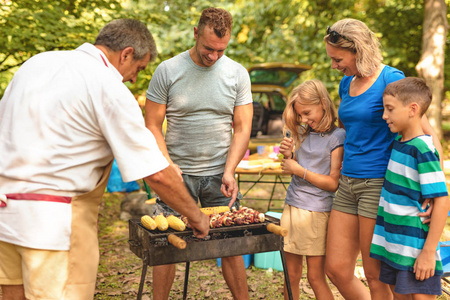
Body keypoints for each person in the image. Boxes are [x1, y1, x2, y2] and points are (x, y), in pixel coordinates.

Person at [0, 19, 210, 300]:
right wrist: (196, 217)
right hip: (53, 223)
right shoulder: (107, 86)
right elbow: (156, 174)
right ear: (126, 53)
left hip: (5, 215)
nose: (134, 78)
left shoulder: (35, 65)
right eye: (138, 68)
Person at [323, 18, 444, 300]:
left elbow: (426, 132)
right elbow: (348, 130)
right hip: (347, 182)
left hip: (378, 183)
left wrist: (431, 192)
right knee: (337, 268)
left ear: (358, 50)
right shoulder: (345, 83)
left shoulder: (391, 78)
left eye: (338, 58)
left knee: (375, 275)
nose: (334, 65)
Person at [144, 7, 253, 300]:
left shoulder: (237, 74)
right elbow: (152, 124)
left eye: (221, 50)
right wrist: (167, 165)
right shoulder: (167, 70)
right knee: (166, 247)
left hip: (220, 175)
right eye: (208, 48)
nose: (214, 56)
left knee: (231, 245)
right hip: (177, 176)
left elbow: (243, 128)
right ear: (195, 33)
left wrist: (230, 170)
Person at [370, 77, 449, 298]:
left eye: (390, 109)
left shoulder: (422, 149)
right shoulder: (400, 142)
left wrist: (428, 252)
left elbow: (442, 199)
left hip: (416, 250)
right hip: (395, 246)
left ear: (412, 109)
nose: (384, 115)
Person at [279, 79, 345, 300]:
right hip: (292, 206)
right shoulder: (303, 131)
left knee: (315, 277)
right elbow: (298, 163)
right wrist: (289, 155)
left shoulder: (337, 137)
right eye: (300, 116)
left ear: (323, 104)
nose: (304, 120)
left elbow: (332, 183)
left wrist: (298, 170)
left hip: (316, 212)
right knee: (290, 275)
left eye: (307, 113)